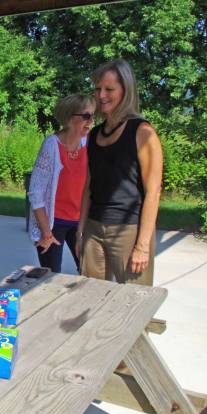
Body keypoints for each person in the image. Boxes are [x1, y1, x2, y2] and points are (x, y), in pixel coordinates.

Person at [77, 59, 163, 285]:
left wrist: (142, 246)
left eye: (109, 89)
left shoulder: (143, 132)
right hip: (93, 229)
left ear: (126, 90)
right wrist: (81, 231)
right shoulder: (94, 134)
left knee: (133, 303)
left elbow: (153, 192)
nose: (101, 95)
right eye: (98, 89)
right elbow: (89, 186)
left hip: (129, 231)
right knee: (88, 299)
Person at [27, 95, 95, 273]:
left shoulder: (88, 143)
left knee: (90, 272)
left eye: (93, 116)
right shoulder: (52, 145)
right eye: (87, 116)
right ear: (69, 118)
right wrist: (45, 232)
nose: (92, 121)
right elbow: (35, 191)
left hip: (79, 222)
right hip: (52, 223)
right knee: (51, 277)